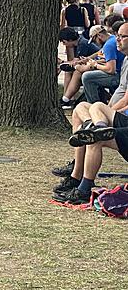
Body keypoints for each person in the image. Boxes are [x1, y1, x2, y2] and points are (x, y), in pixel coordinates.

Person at [54, 22, 128, 204]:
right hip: (120, 117)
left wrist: (109, 110)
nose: (116, 39)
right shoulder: (125, 59)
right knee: (80, 109)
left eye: (122, 36)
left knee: (96, 112)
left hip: (124, 120)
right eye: (116, 35)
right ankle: (76, 175)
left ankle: (83, 189)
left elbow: (126, 98)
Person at [81, 20, 124, 104]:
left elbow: (111, 69)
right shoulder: (112, 39)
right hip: (121, 72)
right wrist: (87, 59)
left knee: (87, 77)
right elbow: (100, 52)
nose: (95, 43)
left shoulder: (108, 45)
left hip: (119, 76)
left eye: (94, 41)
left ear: (99, 36)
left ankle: (94, 104)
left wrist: (95, 65)